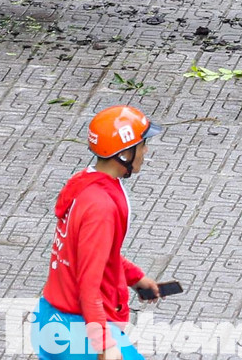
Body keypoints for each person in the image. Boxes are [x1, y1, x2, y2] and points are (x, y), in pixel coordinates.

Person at [35, 106, 162, 360]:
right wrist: (104, 344)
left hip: (52, 318)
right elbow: (88, 283)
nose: (145, 151)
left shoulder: (86, 184)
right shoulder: (101, 207)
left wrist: (135, 278)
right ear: (125, 153)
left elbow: (92, 253)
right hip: (76, 330)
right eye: (142, 144)